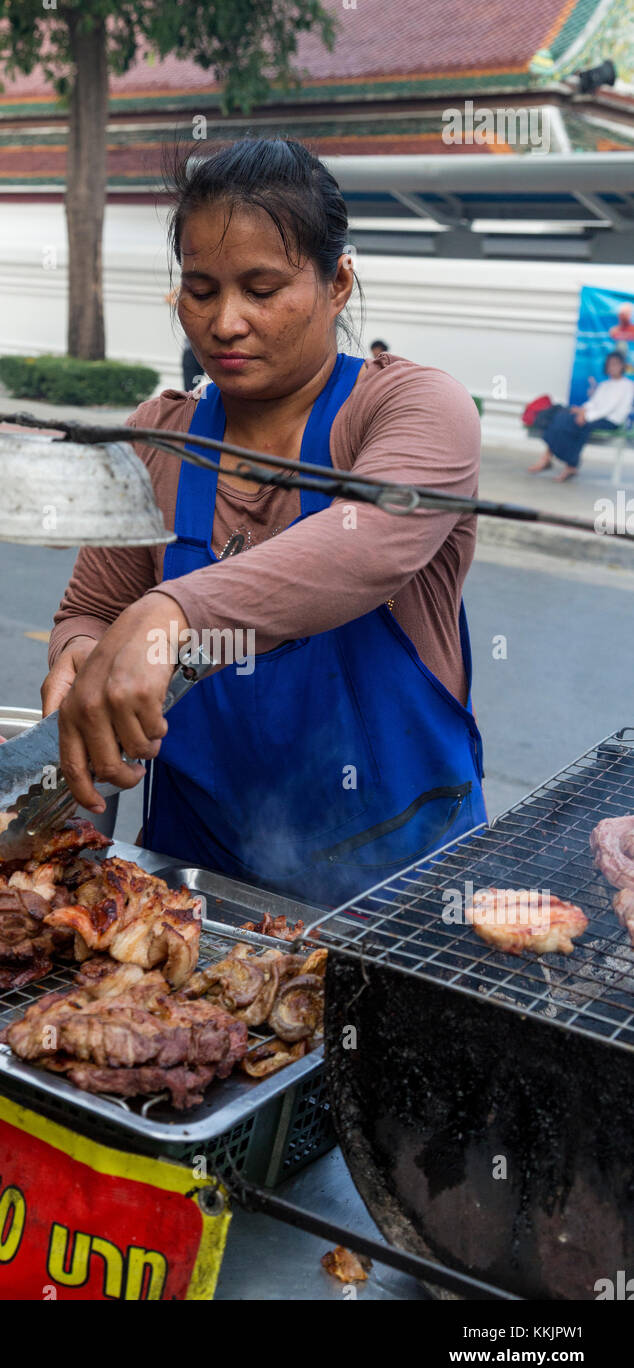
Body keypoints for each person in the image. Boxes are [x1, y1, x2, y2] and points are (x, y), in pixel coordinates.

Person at [42, 136, 486, 908]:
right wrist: (81, 659)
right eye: (202, 289)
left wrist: (173, 609)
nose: (225, 323)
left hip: (398, 890)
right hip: (189, 882)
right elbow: (91, 610)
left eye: (262, 287)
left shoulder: (411, 410)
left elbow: (369, 545)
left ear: (338, 281)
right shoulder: (160, 439)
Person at [528, 351, 634, 482]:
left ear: (622, 366)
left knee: (576, 423)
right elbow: (593, 403)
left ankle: (571, 465)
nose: (613, 368)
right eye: (610, 364)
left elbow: (608, 409)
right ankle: (547, 459)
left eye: (616, 364)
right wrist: (581, 410)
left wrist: (585, 416)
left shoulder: (627, 385)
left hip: (610, 420)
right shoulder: (605, 385)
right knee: (561, 416)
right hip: (593, 415)